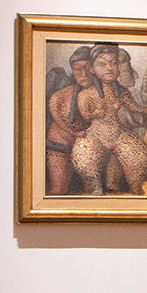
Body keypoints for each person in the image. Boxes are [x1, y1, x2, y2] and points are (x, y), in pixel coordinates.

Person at [72, 44, 147, 195]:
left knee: (140, 155)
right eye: (102, 64)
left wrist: (143, 110)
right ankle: (96, 189)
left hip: (118, 133)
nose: (109, 68)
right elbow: (85, 115)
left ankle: (135, 189)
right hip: (95, 134)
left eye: (114, 62)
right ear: (92, 69)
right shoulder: (86, 94)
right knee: (84, 155)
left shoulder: (121, 92)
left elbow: (132, 106)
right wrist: (95, 113)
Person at [44, 47, 96, 195]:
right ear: (73, 71)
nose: (84, 74)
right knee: (58, 190)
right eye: (78, 69)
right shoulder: (59, 97)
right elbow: (57, 118)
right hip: (61, 146)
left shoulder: (103, 94)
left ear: (94, 69)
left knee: (91, 192)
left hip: (89, 149)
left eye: (87, 68)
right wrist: (73, 132)